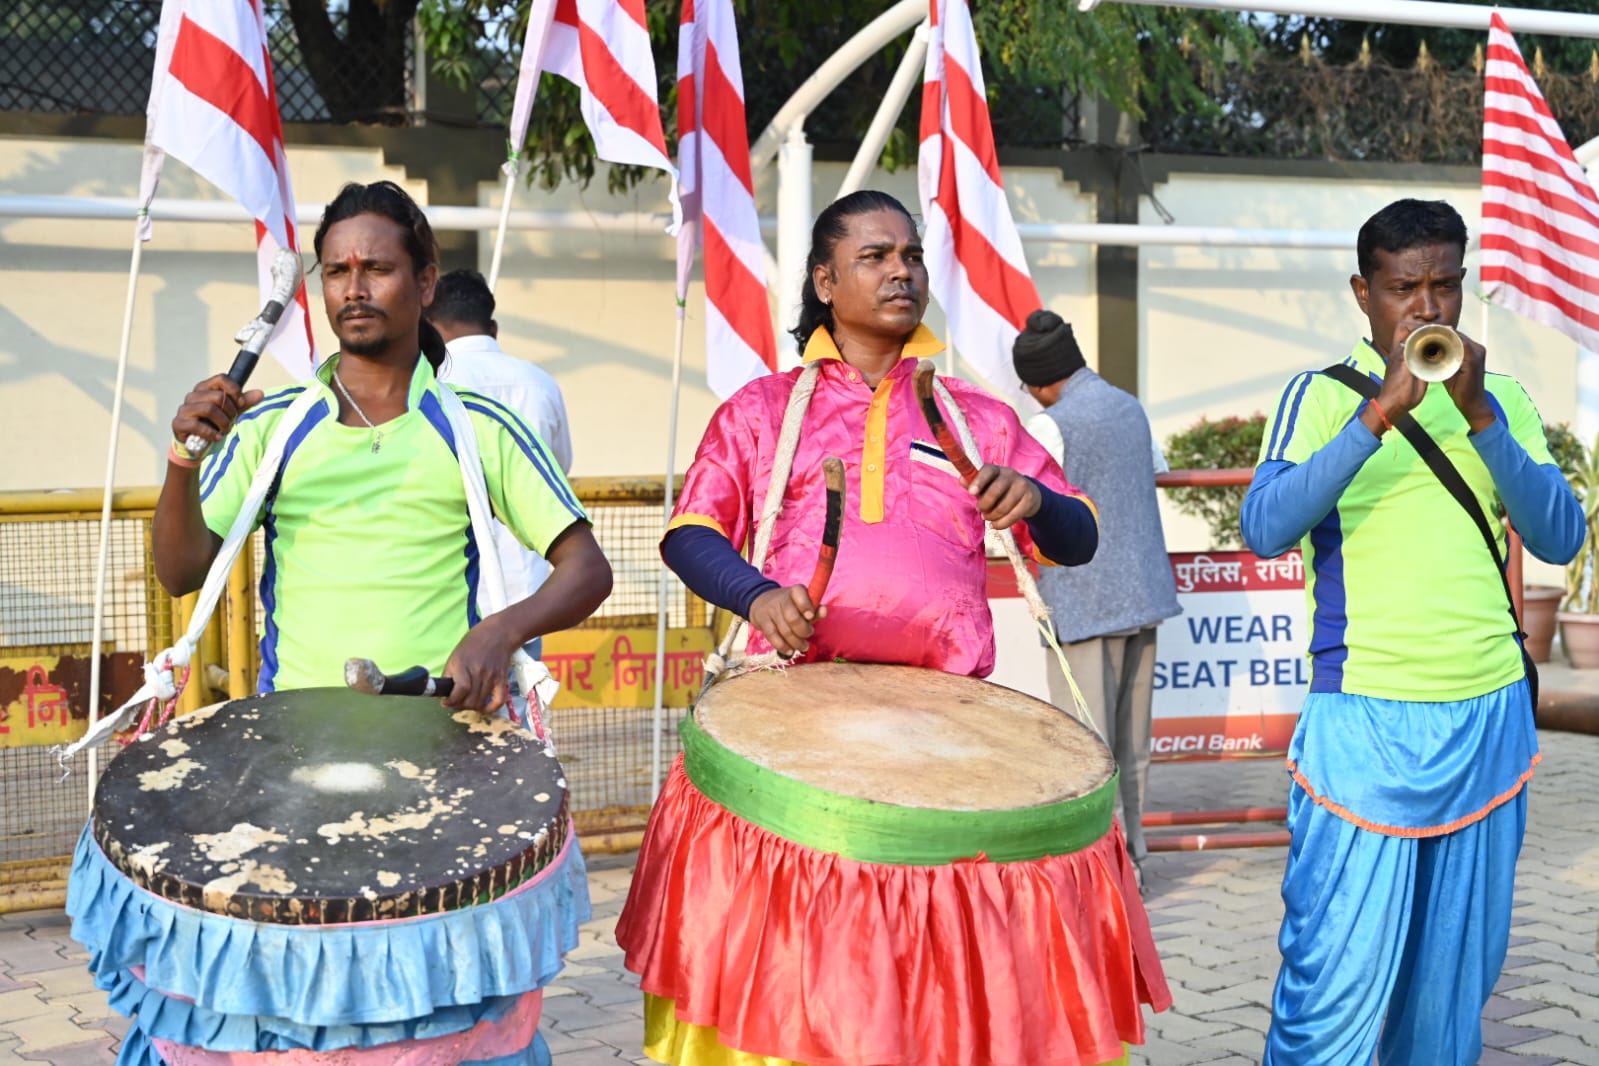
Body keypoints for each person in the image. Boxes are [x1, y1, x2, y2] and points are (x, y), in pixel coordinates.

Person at [1241, 198, 1584, 1066]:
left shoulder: (1499, 397)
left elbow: (1558, 535)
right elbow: (1264, 525)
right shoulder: (1317, 395)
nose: (1426, 311)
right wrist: (1375, 416)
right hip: (1362, 719)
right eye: (1404, 289)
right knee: (1333, 987)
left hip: (1485, 718)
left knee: (1450, 989)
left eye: (1443, 286)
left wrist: (1479, 421)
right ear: (1364, 293)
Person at [153, 181, 612, 713]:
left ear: (425, 284)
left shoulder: (476, 425)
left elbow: (587, 568)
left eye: (376, 268)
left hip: (438, 734)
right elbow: (179, 573)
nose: (353, 289)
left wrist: (502, 631)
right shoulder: (272, 426)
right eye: (336, 271)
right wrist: (183, 458)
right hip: (294, 739)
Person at [660, 189, 1099, 676]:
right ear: (825, 283)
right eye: (875, 257)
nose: (901, 271)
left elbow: (1079, 540)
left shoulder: (980, 417)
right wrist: (757, 597)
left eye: (913, 257)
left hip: (948, 708)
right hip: (791, 698)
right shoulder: (761, 410)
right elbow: (691, 534)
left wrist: (1037, 500)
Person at [1013, 308, 1181, 879]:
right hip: (1143, 593)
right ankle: (1135, 858)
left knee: (1088, 749)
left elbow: (1025, 506)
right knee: (1133, 747)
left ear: (1040, 382)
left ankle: (1103, 874)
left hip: (1083, 602)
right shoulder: (1129, 407)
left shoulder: (1050, 425)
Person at [427, 268, 575, 660]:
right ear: (492, 327)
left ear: (428, 323)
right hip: (520, 602)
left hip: (444, 599)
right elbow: (555, 478)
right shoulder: (540, 383)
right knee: (516, 716)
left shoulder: (427, 383)